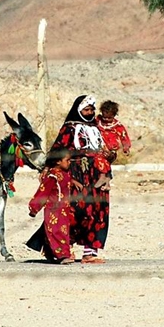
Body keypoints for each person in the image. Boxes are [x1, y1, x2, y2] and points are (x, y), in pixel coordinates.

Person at [48, 94, 112, 264]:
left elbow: (104, 151)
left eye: (92, 109)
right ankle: (64, 250)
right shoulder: (69, 129)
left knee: (97, 213)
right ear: (78, 110)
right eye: (86, 109)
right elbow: (58, 152)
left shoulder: (96, 128)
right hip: (76, 174)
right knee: (74, 212)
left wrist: (109, 156)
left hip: (97, 175)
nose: (90, 112)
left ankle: (90, 253)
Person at [26, 150, 75, 264]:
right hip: (54, 210)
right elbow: (43, 192)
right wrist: (34, 208)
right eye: (67, 160)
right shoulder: (52, 176)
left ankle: (49, 252)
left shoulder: (66, 174)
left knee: (63, 232)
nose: (69, 163)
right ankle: (63, 256)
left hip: (65, 209)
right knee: (57, 232)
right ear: (58, 161)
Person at [95, 100, 132, 182]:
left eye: (109, 118)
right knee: (99, 160)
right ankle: (105, 178)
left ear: (114, 115)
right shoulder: (97, 121)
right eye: (105, 117)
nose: (106, 119)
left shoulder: (117, 126)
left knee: (105, 159)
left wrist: (126, 147)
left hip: (111, 150)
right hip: (99, 148)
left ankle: (103, 177)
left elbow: (124, 137)